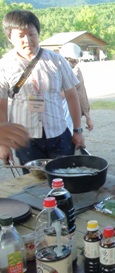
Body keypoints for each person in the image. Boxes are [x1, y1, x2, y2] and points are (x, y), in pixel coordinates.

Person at [0, 10, 85, 170]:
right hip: (25, 140)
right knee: (33, 187)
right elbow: (1, 106)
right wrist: (3, 145)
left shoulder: (56, 60)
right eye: (21, 36)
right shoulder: (4, 66)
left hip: (59, 133)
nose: (27, 40)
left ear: (38, 34)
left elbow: (72, 96)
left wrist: (77, 130)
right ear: (9, 37)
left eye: (32, 34)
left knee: (64, 181)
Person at [60, 42, 94, 132]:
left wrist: (87, 117)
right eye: (72, 61)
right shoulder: (54, 71)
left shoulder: (76, 72)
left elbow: (82, 94)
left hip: (69, 114)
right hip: (58, 114)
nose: (75, 63)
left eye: (76, 61)